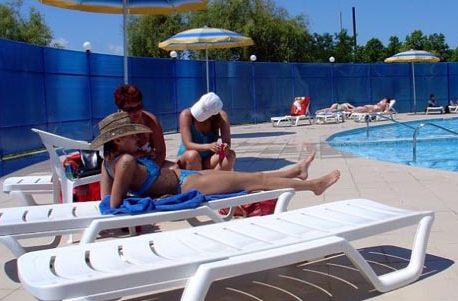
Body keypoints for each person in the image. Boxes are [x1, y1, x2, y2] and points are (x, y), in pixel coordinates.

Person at [92, 112, 341, 209]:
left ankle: (296, 172)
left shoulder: (109, 162)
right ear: (118, 140)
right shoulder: (125, 161)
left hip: (186, 178)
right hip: (186, 186)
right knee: (256, 181)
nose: (138, 137)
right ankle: (312, 185)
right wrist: (155, 200)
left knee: (253, 177)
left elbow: (104, 200)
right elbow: (114, 204)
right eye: (132, 135)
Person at [113, 84, 170, 167]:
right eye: (130, 109)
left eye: (139, 106)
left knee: (175, 168)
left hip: (148, 164)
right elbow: (111, 155)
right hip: (125, 165)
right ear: (121, 109)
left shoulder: (150, 121)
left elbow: (160, 152)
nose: (136, 112)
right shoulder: (115, 125)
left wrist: (153, 170)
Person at [177, 92, 236, 171]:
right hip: (188, 156)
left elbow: (227, 142)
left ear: (213, 115)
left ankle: (214, 178)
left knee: (230, 155)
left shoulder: (222, 117)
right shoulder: (186, 115)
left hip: (209, 158)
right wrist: (208, 146)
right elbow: (188, 145)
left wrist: (225, 147)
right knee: (193, 155)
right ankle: (197, 178)